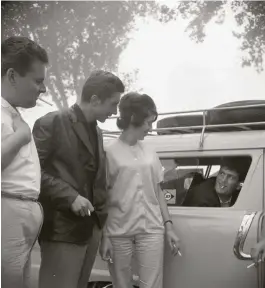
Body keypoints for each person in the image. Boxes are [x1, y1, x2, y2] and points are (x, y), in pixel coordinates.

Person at [32, 70, 124, 288]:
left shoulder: (98, 132)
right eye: (113, 104)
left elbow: (98, 183)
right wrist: (70, 196)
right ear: (94, 100)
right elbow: (32, 172)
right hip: (62, 230)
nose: (115, 111)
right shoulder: (51, 122)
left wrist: (102, 232)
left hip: (90, 229)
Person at [100, 92, 181, 288]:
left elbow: (158, 190)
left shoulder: (150, 152)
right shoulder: (108, 152)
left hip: (152, 229)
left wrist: (169, 226)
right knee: (122, 284)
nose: (150, 128)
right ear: (134, 118)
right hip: (118, 231)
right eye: (148, 122)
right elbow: (101, 197)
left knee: (152, 285)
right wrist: (104, 236)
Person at [1, 36, 48, 288]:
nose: (43, 90)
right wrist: (21, 137)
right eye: (38, 81)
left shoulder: (11, 113)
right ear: (11, 76)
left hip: (19, 212)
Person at [183, 158, 251, 208]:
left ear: (238, 186)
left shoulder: (242, 197)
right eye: (221, 173)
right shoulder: (202, 197)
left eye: (230, 177)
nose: (223, 180)